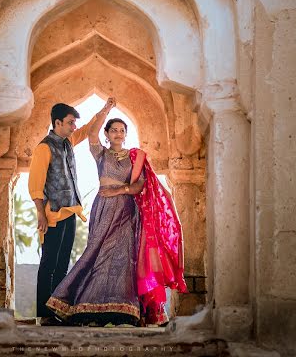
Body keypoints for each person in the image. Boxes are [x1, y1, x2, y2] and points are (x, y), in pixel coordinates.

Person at [46, 104, 188, 327]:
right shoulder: (100, 153)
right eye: (114, 130)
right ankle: (86, 307)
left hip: (126, 210)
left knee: (124, 257)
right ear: (107, 134)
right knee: (97, 252)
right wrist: (105, 109)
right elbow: (92, 133)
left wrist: (118, 190)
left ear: (126, 134)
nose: (118, 134)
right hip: (103, 208)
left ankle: (124, 310)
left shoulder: (135, 157)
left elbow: (140, 184)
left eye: (122, 130)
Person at [28, 99, 115, 325]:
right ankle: (44, 314)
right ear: (57, 123)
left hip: (70, 212)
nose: (74, 127)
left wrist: (105, 110)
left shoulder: (68, 142)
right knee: (48, 263)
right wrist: (40, 214)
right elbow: (36, 184)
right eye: (70, 123)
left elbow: (87, 129)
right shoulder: (44, 148)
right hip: (52, 215)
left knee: (62, 264)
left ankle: (58, 310)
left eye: (74, 123)